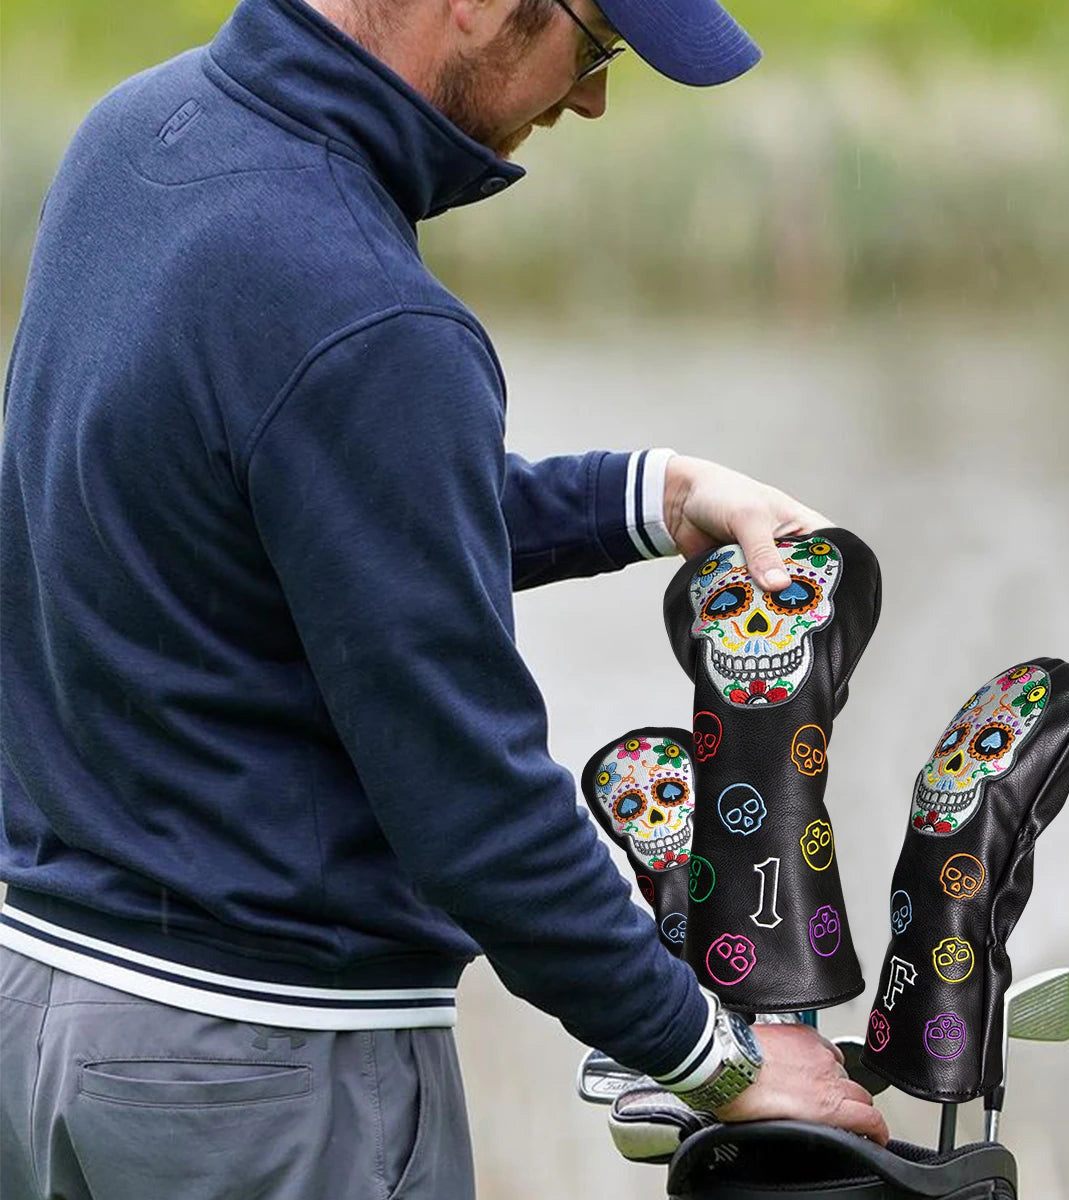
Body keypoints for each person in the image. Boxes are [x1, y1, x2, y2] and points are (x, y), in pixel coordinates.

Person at [0, 0, 888, 1196]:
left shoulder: (137, 138)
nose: (591, 99)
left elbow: (314, 511)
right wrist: (712, 1060)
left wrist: (646, 497)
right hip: (268, 1076)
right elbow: (474, 809)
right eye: (599, 44)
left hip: (48, 1011)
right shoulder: (365, 309)